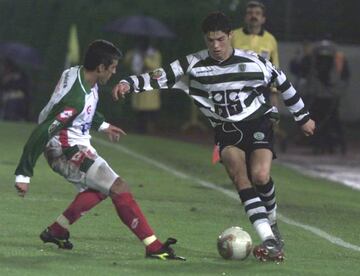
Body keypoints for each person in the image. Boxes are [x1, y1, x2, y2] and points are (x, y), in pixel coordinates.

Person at [112, 12, 315, 262]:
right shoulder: (193, 63)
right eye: (210, 41)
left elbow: (282, 81)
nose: (216, 46)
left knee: (261, 176)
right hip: (226, 129)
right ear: (205, 39)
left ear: (230, 36)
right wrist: (128, 83)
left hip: (257, 122)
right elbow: (161, 75)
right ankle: (270, 240)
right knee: (240, 176)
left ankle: (272, 224)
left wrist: (302, 116)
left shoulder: (253, 62)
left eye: (220, 39)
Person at [14, 40, 184, 261]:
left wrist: (103, 125)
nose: (114, 71)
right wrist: (23, 174)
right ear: (100, 67)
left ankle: (56, 231)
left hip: (75, 141)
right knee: (118, 187)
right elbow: (43, 131)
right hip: (64, 148)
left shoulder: (78, 73)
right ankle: (153, 246)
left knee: (101, 189)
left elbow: (85, 110)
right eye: (112, 67)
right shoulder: (75, 99)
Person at [231, 0, 288, 152]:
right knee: (238, 132)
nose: (253, 16)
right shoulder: (233, 36)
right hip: (238, 92)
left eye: (257, 14)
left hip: (262, 93)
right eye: (250, 13)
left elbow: (274, 67)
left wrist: (274, 94)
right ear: (245, 17)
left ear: (263, 19)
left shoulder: (270, 40)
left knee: (261, 132)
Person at [124, 38, 162, 134]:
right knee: (139, 108)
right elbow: (127, 61)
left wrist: (145, 58)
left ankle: (151, 128)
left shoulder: (154, 54)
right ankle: (140, 127)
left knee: (150, 108)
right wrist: (134, 54)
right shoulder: (135, 53)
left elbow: (155, 67)